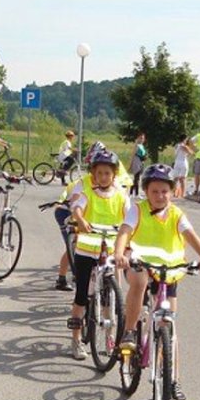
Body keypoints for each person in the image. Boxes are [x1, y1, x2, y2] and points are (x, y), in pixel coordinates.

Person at [113, 164, 200, 400]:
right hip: (140, 264)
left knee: (170, 327)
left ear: (172, 191)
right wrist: (119, 253)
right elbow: (125, 232)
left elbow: (191, 236)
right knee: (139, 281)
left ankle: (173, 381)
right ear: (146, 192)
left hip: (168, 271)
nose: (160, 196)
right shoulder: (137, 210)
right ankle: (129, 332)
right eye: (155, 191)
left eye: (165, 192)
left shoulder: (177, 214)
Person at [66, 148, 130, 360]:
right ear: (94, 173)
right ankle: (76, 340)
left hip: (110, 249)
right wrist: (81, 220)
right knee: (82, 295)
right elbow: (77, 206)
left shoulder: (121, 195)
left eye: (107, 173)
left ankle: (110, 337)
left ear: (114, 175)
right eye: (99, 173)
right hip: (87, 248)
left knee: (111, 298)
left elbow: (130, 219)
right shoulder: (89, 192)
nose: (103, 177)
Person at [129, 133, 147, 197]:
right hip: (136, 162)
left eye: (143, 138)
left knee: (137, 178)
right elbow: (133, 154)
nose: (142, 139)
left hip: (141, 162)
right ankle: (135, 193)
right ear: (138, 138)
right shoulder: (137, 145)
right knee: (136, 178)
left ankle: (132, 193)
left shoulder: (142, 146)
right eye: (141, 138)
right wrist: (130, 164)